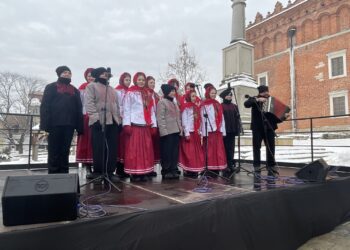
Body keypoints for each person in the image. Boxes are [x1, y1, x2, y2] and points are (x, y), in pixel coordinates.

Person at [40, 66, 83, 174]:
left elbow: (79, 108)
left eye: (69, 72)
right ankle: (53, 174)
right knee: (54, 150)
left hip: (69, 125)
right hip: (54, 124)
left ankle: (64, 174)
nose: (67, 74)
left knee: (65, 151)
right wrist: (45, 125)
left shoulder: (75, 90)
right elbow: (45, 106)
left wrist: (79, 126)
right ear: (59, 74)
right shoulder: (51, 87)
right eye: (64, 72)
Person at [85, 67, 121, 182]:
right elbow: (89, 103)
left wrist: (118, 120)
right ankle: (98, 172)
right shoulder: (91, 86)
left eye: (107, 74)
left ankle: (110, 172)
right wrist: (95, 119)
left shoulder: (112, 89)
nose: (106, 76)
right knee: (99, 148)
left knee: (112, 148)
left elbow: (117, 105)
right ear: (98, 75)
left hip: (112, 121)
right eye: (104, 74)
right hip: (98, 122)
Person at [123, 72, 156, 182]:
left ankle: (144, 172)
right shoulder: (131, 93)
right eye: (139, 79)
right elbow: (126, 109)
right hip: (135, 125)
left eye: (143, 80)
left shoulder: (148, 93)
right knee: (135, 150)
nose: (141, 81)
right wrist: (126, 124)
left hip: (145, 125)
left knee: (146, 150)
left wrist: (153, 125)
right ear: (136, 80)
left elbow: (151, 110)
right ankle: (135, 173)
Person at [244, 85, 281, 176]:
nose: (266, 93)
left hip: (269, 127)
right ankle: (257, 165)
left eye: (267, 91)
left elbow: (275, 116)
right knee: (256, 147)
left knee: (271, 147)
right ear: (260, 92)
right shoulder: (254, 99)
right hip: (257, 128)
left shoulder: (272, 100)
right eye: (264, 92)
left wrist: (283, 117)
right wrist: (257, 100)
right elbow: (246, 104)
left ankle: (271, 165)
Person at [157, 84, 182, 179]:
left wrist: (180, 129)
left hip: (175, 131)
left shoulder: (174, 103)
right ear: (167, 92)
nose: (173, 93)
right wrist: (163, 132)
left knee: (174, 152)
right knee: (166, 152)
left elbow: (178, 117)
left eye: (174, 91)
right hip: (167, 132)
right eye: (171, 91)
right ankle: (166, 170)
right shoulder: (162, 102)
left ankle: (173, 169)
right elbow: (161, 118)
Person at [200, 86, 227, 175]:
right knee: (209, 150)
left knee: (218, 150)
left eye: (215, 93)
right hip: (209, 131)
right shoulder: (204, 104)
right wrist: (204, 132)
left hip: (217, 131)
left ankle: (216, 168)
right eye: (212, 93)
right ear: (208, 93)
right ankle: (209, 168)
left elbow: (222, 117)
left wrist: (223, 129)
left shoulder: (218, 104)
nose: (214, 95)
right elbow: (203, 119)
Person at [179, 90, 204, 178]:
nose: (194, 98)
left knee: (196, 153)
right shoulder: (186, 107)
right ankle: (188, 170)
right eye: (192, 96)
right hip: (189, 132)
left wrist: (199, 130)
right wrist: (186, 132)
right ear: (189, 97)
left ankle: (195, 169)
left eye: (195, 96)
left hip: (195, 132)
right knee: (189, 152)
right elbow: (184, 120)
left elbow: (199, 120)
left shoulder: (196, 107)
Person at [76, 68, 95, 179]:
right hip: (85, 118)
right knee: (85, 142)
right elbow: (79, 104)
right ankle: (87, 167)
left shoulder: (98, 87)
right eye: (89, 76)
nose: (91, 78)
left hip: (96, 118)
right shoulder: (82, 88)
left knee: (95, 143)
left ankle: (96, 166)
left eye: (93, 76)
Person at [219, 87, 241, 177]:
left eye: (230, 95)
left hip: (232, 130)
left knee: (231, 148)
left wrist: (237, 129)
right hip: (225, 131)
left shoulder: (234, 106)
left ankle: (231, 163)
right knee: (225, 148)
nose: (229, 97)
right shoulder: (221, 106)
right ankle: (226, 165)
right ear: (224, 97)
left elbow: (237, 118)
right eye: (228, 95)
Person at [115, 72, 131, 178]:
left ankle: (124, 167)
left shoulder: (129, 91)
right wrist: (121, 117)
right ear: (121, 80)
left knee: (126, 145)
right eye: (126, 80)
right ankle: (119, 169)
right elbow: (118, 105)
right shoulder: (118, 90)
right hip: (120, 121)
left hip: (127, 120)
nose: (128, 82)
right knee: (120, 145)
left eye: (129, 80)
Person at [145, 76, 160, 177]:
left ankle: (151, 168)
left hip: (155, 121)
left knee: (153, 147)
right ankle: (146, 168)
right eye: (151, 82)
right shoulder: (145, 93)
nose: (153, 84)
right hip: (148, 122)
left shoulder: (155, 95)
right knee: (147, 146)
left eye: (154, 82)